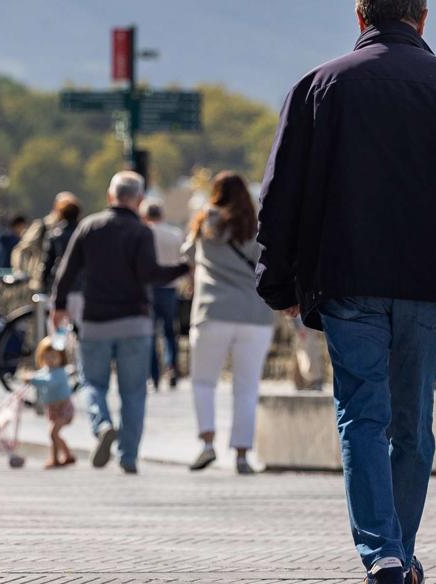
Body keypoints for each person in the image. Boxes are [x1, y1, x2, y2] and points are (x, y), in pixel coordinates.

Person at [257, 0, 436, 584]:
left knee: (362, 417)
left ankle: (385, 553)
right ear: (423, 20)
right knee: (412, 423)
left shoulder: (319, 87)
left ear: (360, 19)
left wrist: (278, 282)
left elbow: (280, 195)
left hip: (347, 284)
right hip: (431, 288)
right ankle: (397, 550)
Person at [50, 171, 189, 475]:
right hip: (134, 323)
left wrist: (59, 306)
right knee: (134, 391)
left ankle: (101, 426)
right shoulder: (141, 232)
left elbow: (67, 270)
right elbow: (150, 274)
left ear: (110, 196)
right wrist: (182, 268)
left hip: (96, 320)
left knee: (93, 383)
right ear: (139, 200)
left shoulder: (89, 227)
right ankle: (128, 456)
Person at [184, 170, 276, 475]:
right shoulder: (256, 225)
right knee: (247, 388)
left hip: (212, 311)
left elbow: (185, 254)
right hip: (255, 315)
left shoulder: (205, 221)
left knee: (203, 382)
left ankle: (208, 443)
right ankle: (241, 454)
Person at [144, 201, 186, 390]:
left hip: (149, 287)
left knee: (150, 333)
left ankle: (153, 373)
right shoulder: (175, 234)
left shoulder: (144, 233)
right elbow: (183, 259)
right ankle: (171, 366)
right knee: (170, 331)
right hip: (170, 287)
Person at [28, 333, 77, 469]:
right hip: (52, 407)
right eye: (47, 356)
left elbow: (49, 381)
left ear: (61, 357)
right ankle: (68, 455)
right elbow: (40, 375)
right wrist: (30, 377)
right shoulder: (45, 370)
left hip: (64, 408)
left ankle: (55, 459)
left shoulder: (60, 372)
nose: (50, 359)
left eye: (54, 356)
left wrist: (33, 380)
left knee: (53, 433)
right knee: (55, 434)